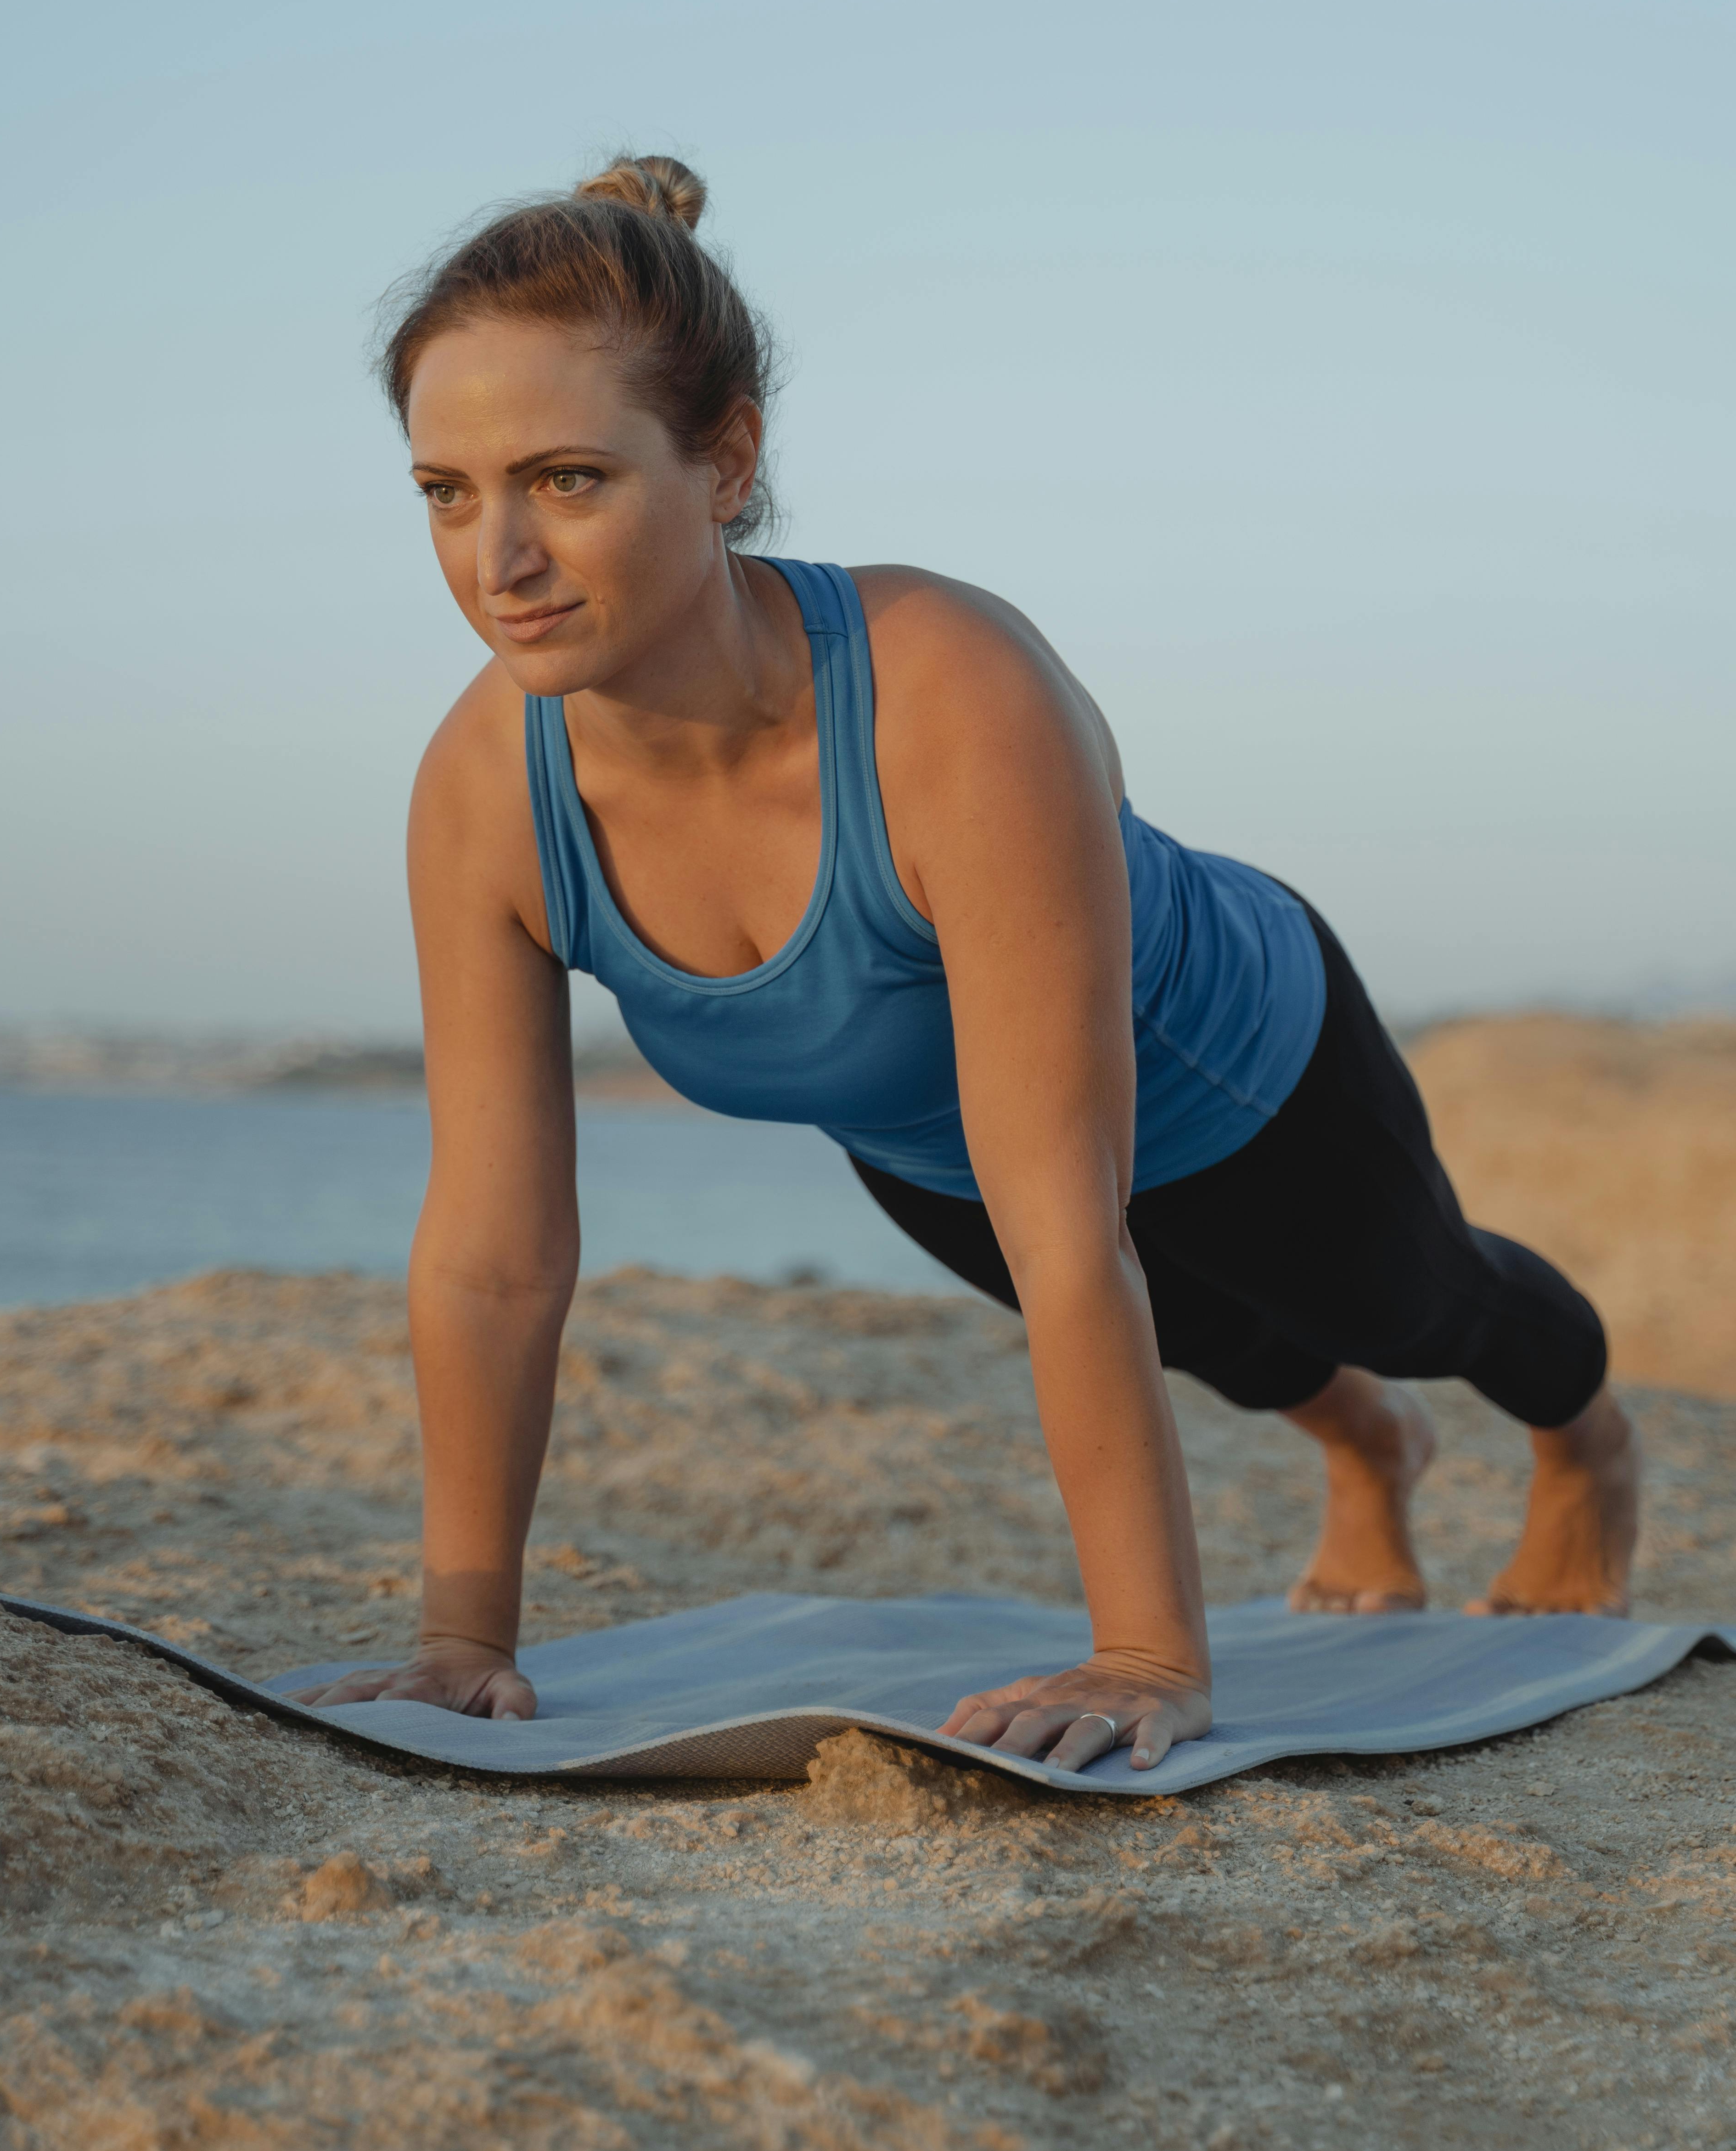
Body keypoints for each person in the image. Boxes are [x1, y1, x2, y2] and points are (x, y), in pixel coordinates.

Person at [295, 156, 1639, 1770]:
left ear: (726, 463)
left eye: (567, 480)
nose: (495, 556)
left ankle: (1590, 1446)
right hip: (926, 1148)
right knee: (1226, 1345)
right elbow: (495, 1256)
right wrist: (464, 1642)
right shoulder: (484, 797)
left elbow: (1075, 1223)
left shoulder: (950, 697)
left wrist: (1145, 1655)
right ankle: (1370, 1453)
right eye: (447, 491)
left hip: (1245, 1067)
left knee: (1411, 1299)